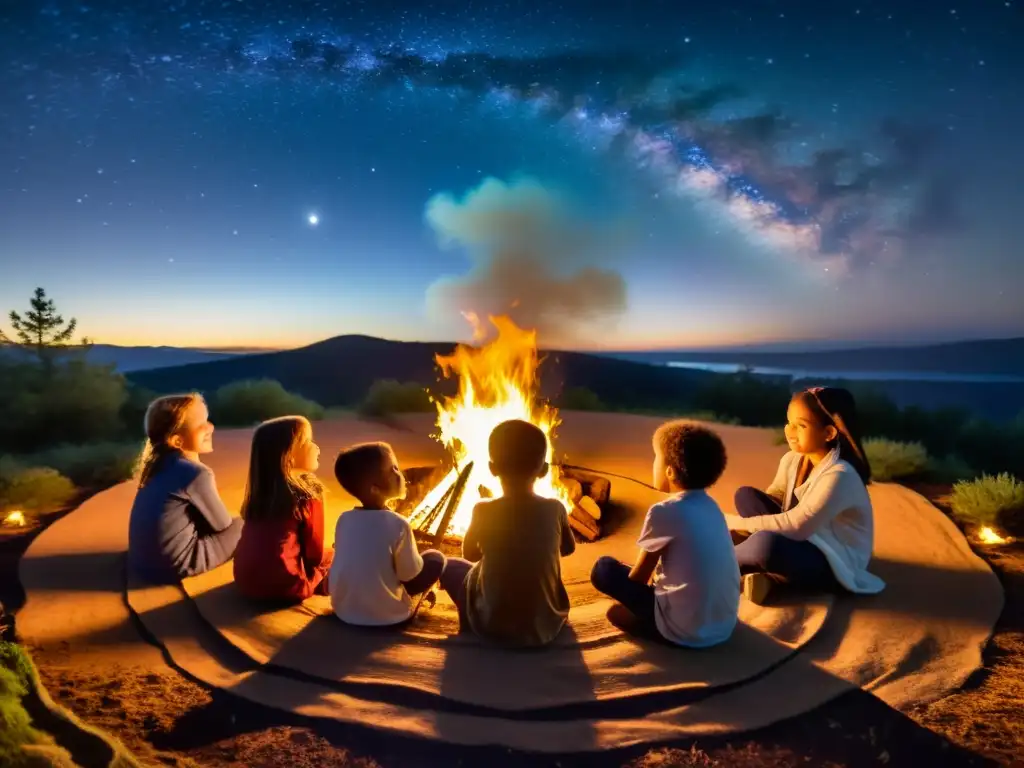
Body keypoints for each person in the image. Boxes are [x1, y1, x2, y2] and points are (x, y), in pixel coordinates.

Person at [725, 386, 886, 605]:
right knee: (745, 496)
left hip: (833, 561)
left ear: (829, 433)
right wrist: (750, 524)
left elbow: (797, 525)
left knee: (766, 545)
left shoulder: (841, 475)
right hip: (807, 539)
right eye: (788, 422)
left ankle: (718, 561)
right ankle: (768, 575)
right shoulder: (793, 459)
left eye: (801, 425)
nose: (789, 431)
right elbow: (778, 497)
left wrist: (737, 524)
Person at [590, 420, 740, 647]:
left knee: (604, 570)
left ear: (669, 471)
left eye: (656, 459)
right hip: (723, 625)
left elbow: (639, 578)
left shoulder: (664, 511)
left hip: (686, 632)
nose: (654, 465)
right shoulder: (712, 507)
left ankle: (657, 627)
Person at [441, 419, 576, 648]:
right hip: (547, 626)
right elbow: (569, 548)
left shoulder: (482, 509)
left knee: (451, 567)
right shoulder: (556, 508)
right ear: (543, 470)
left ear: (492, 468)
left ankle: (473, 621)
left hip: (493, 627)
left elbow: (470, 554)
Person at [127, 393, 243, 583]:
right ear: (177, 441)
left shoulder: (158, 465)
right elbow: (222, 525)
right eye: (201, 425)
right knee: (243, 525)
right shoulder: (196, 473)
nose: (210, 427)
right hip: (177, 565)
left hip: (144, 565)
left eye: (208, 420)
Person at [327, 442, 446, 626]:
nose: (401, 474)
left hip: (344, 611)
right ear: (374, 488)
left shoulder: (344, 520)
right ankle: (408, 604)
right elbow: (409, 576)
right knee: (436, 558)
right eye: (393, 471)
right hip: (389, 618)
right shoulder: (398, 524)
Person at [232, 416, 334, 602]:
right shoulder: (308, 495)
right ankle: (324, 586)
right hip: (288, 588)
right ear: (290, 455)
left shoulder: (259, 494)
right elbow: (315, 556)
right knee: (332, 555)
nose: (316, 447)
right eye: (309, 442)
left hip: (245, 582)